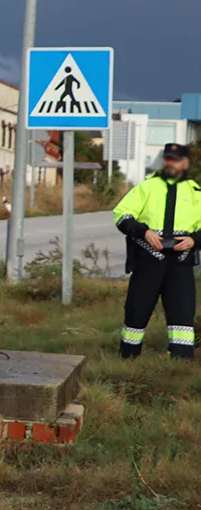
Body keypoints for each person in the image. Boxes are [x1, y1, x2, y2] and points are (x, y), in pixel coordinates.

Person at [112, 142, 199, 360]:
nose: (171, 163)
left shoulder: (197, 192)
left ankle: (180, 364)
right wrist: (144, 232)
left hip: (181, 264)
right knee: (136, 311)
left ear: (186, 163)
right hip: (148, 261)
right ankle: (127, 360)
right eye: (168, 159)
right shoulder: (146, 187)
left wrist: (194, 240)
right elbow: (122, 215)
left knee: (182, 315)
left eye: (176, 160)